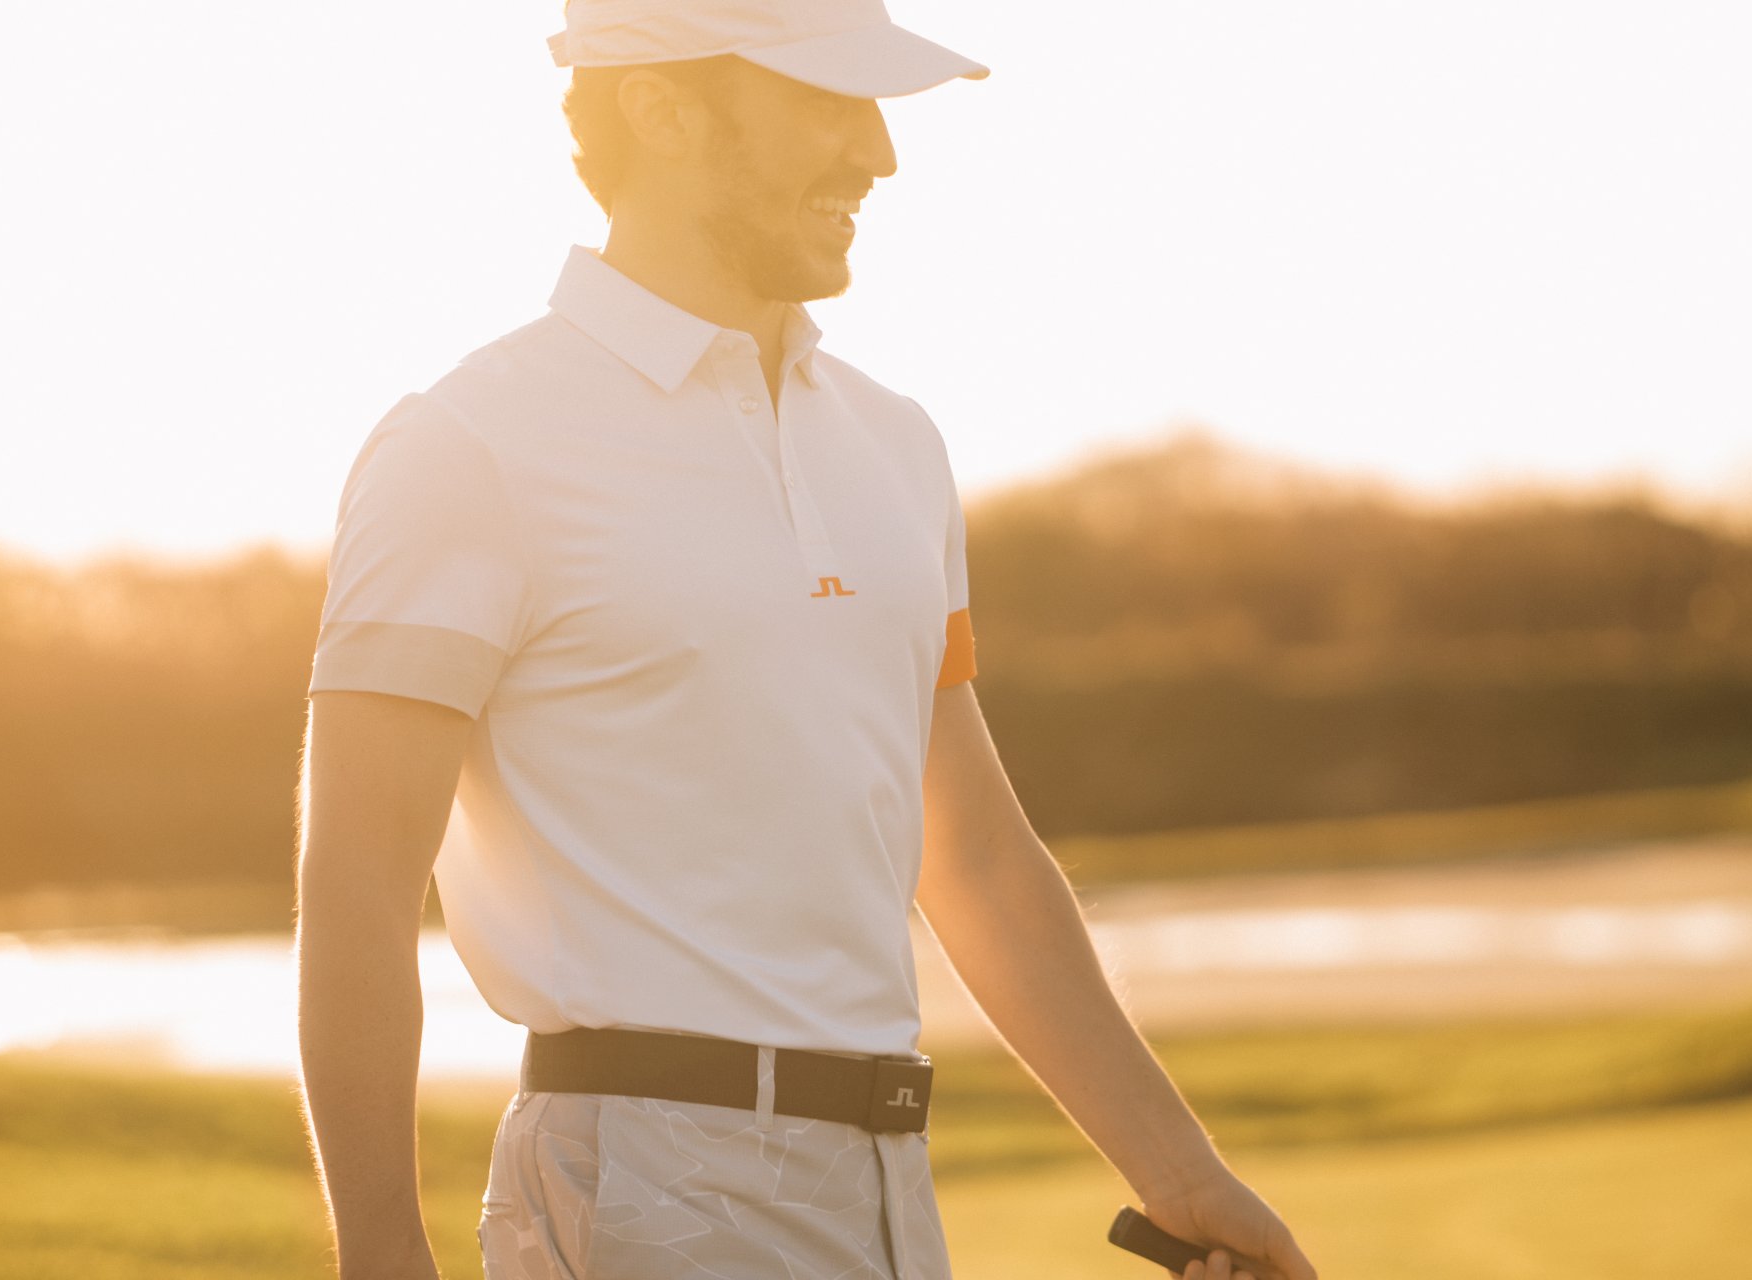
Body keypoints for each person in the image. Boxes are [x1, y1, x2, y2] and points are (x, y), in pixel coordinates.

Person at [295, 3, 1318, 1278]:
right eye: (828, 101)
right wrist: (381, 1251)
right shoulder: (467, 445)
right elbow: (358, 880)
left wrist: (1181, 1175)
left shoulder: (895, 445)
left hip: (887, 1179)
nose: (878, 153)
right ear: (660, 108)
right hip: (639, 1184)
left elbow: (976, 857)